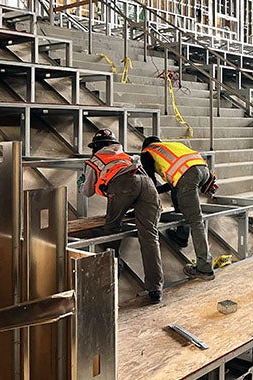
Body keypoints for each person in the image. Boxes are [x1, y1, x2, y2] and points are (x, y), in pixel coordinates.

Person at [79, 129, 164, 304]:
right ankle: (155, 289)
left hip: (123, 185)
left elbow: (87, 191)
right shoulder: (125, 156)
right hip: (147, 185)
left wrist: (81, 183)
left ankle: (113, 270)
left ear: (96, 147)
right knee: (149, 236)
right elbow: (144, 180)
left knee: (111, 230)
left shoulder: (95, 160)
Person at [140, 137, 216, 281]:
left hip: (188, 176)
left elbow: (151, 185)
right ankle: (181, 237)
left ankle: (205, 268)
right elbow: (175, 182)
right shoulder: (171, 146)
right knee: (183, 199)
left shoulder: (147, 152)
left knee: (195, 220)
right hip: (204, 170)